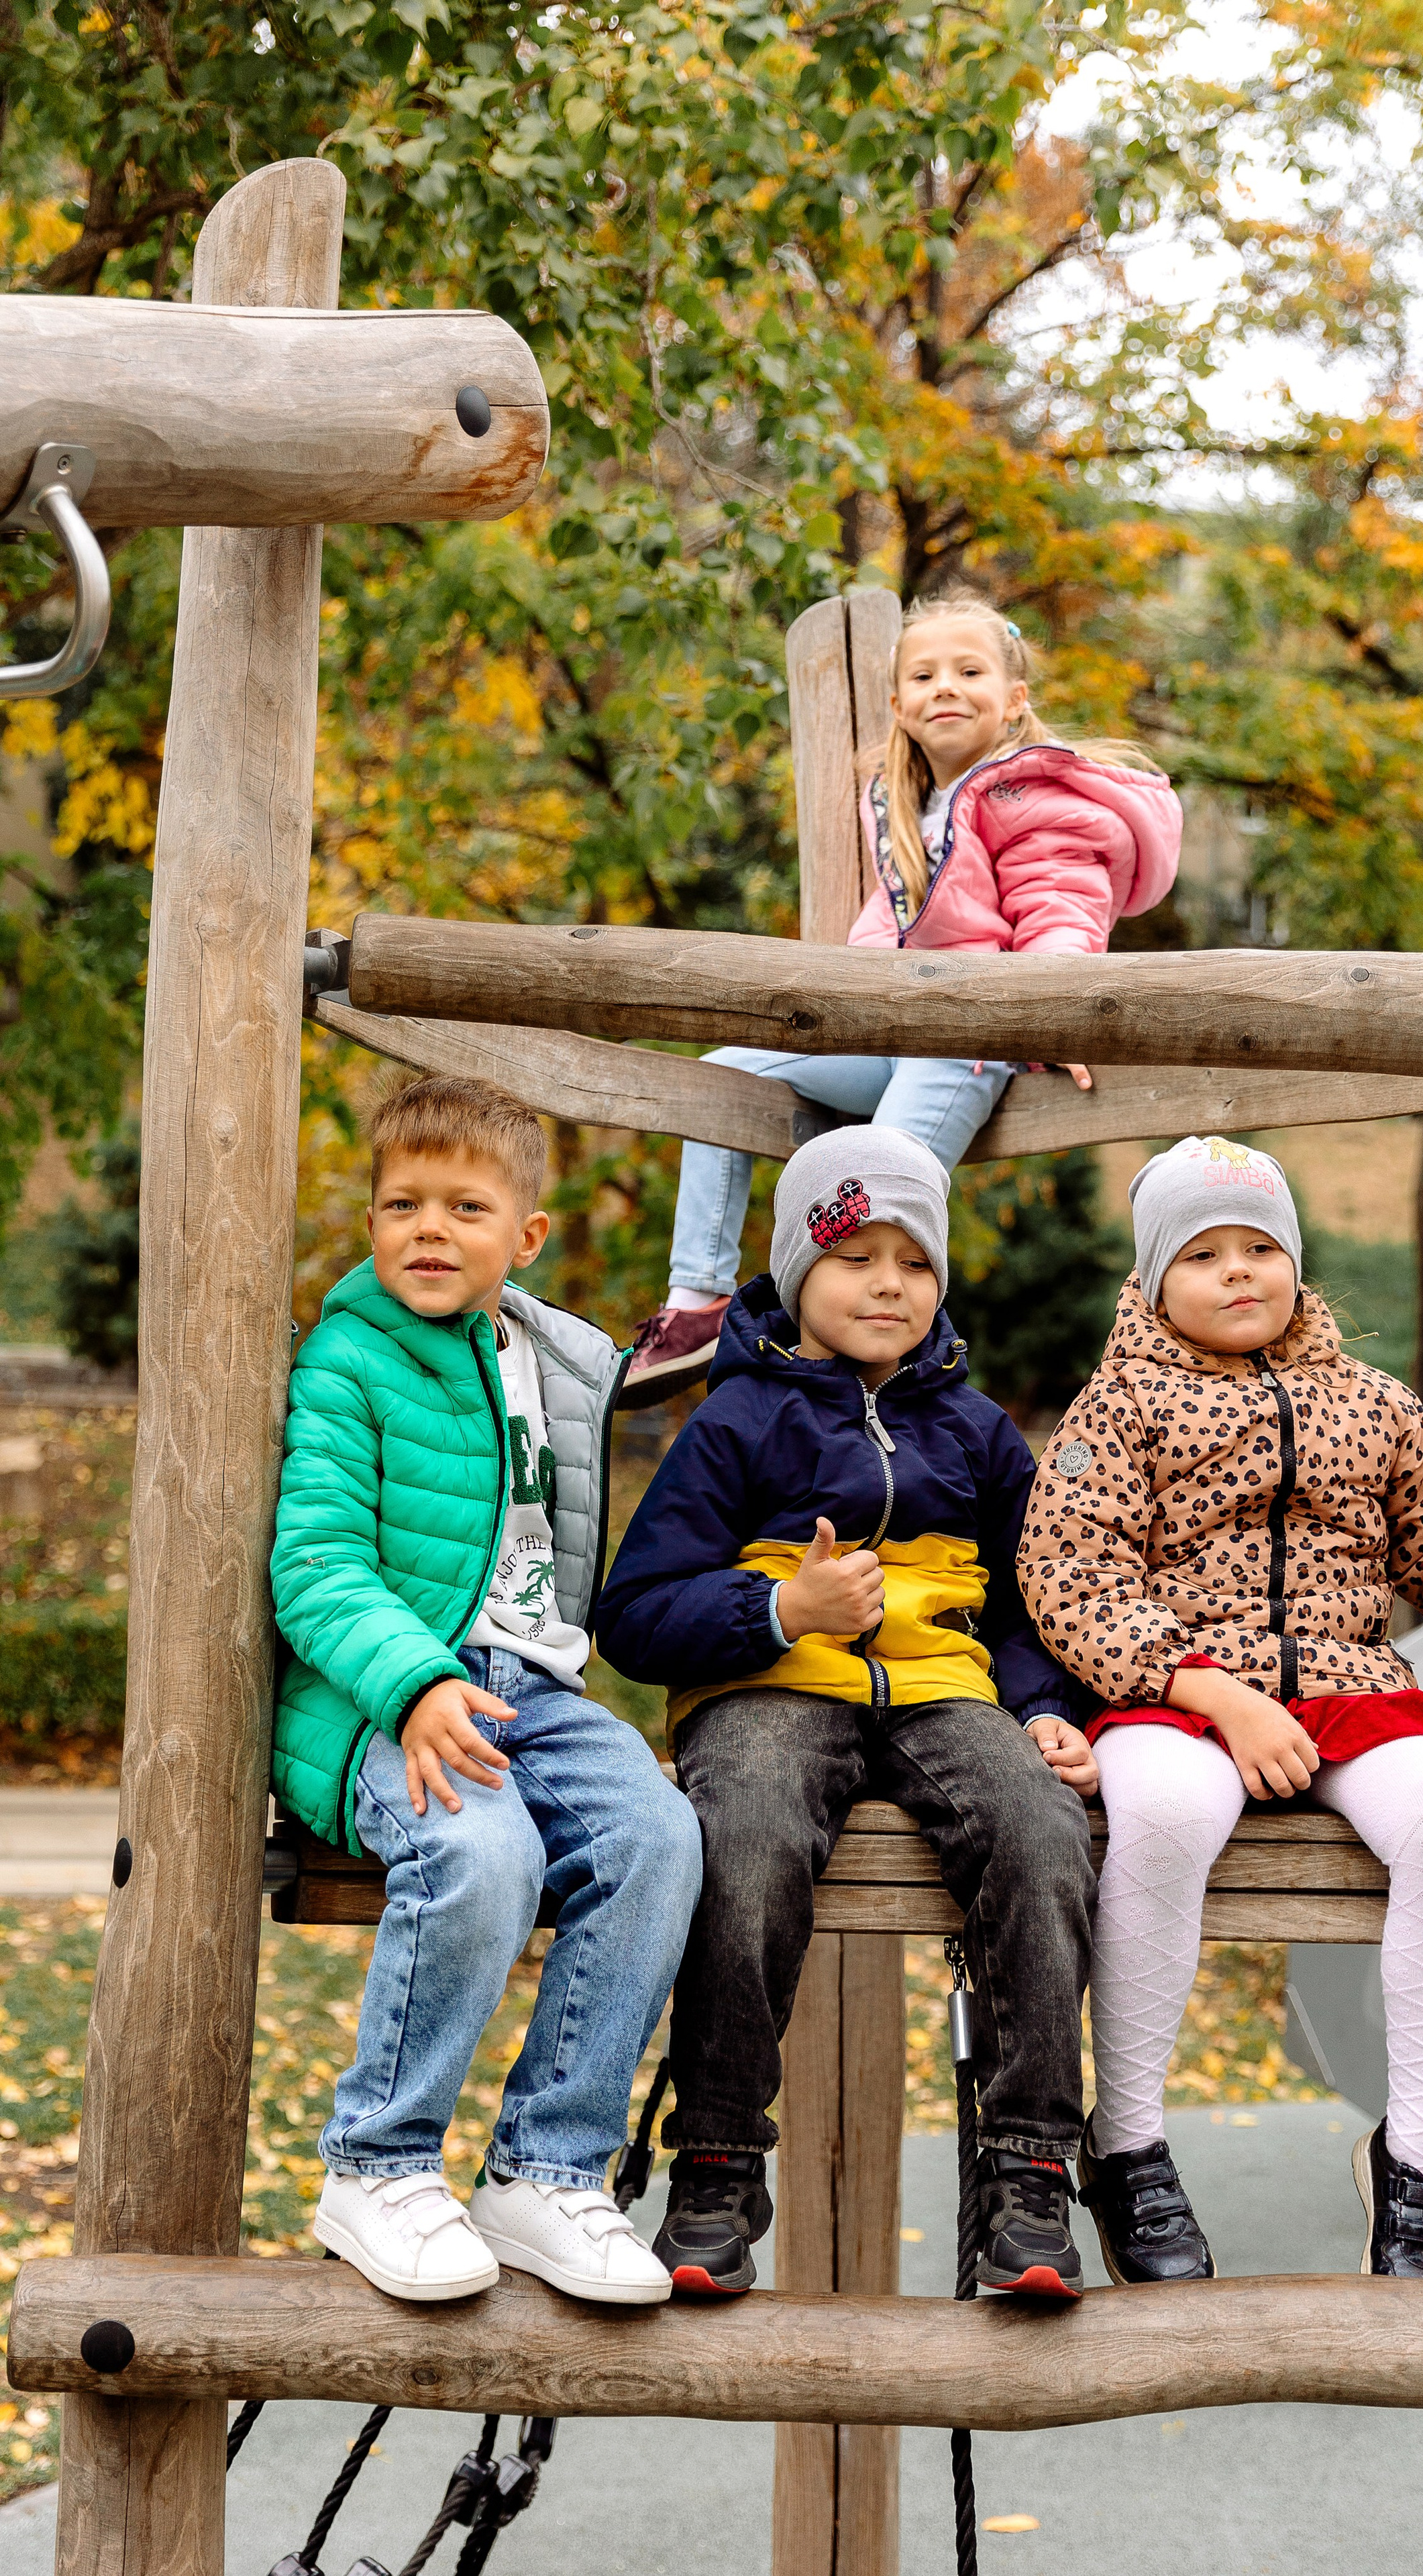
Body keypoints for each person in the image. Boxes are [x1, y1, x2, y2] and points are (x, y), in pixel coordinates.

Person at [1016, 1134, 1423, 2286]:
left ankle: (1419, 2169)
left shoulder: (1374, 1405)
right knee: (1167, 1816)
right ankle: (1131, 2144)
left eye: (1261, 1248)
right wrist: (1212, 1693)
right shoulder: (1116, 1411)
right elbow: (1071, 1581)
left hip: (1351, 1685)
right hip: (1178, 1689)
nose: (1240, 1271)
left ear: (1296, 1263)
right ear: (1148, 1283)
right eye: (1204, 1255)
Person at [596, 1126, 1100, 2298]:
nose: (889, 1284)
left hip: (939, 1688)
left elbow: (1036, 1606)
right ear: (792, 1276)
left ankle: (1030, 2176)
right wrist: (782, 1609)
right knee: (749, 1839)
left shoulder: (977, 1435)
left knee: (1040, 1830)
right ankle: (717, 2167)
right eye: (856, 1257)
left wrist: (1041, 1707)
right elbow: (633, 1612)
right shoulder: (736, 1421)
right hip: (771, 1687)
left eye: (915, 1263)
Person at [271, 1074, 703, 2306]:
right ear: (367, 1224)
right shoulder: (350, 1360)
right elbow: (314, 1562)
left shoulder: (558, 1357)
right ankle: (380, 2161)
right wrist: (411, 1688)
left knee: (660, 1838)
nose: (427, 1229)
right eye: (401, 1203)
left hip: (538, 1690)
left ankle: (548, 2170)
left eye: (465, 1207)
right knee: (484, 1853)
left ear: (524, 1238)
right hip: (380, 1693)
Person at [622, 586, 1183, 1401]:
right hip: (881, 1033)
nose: (944, 688)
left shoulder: (1029, 795)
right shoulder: (898, 801)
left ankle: (876, 1371)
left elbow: (1059, 911)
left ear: (1014, 698)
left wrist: (1055, 1015)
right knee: (724, 1078)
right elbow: (885, 932)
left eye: (968, 671)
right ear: (897, 703)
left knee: (877, 1180)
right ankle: (698, 1302)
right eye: (923, 677)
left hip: (964, 1043)